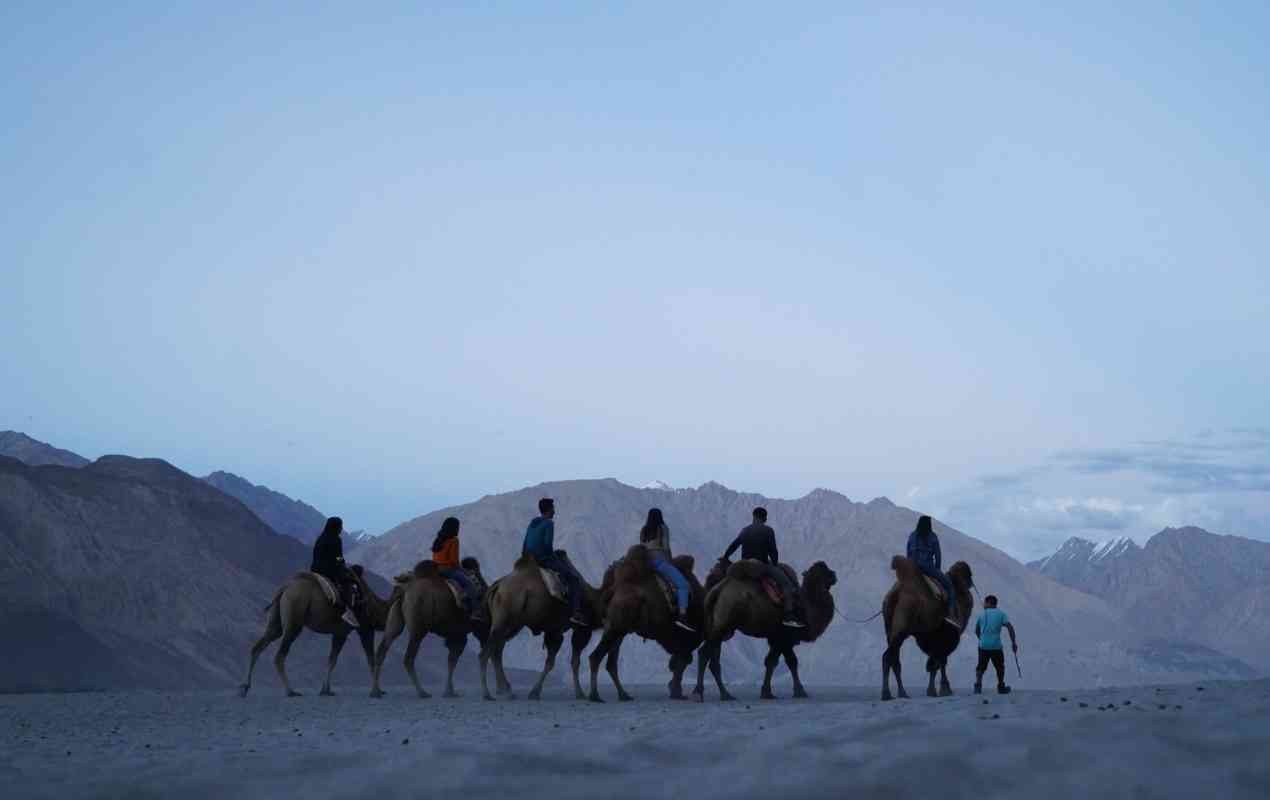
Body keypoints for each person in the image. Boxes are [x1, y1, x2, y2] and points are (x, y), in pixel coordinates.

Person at [723, 507, 803, 627]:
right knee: (787, 585)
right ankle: (788, 616)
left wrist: (726, 557)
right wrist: (775, 564)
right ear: (765, 518)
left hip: (743, 564)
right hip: (761, 566)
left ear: (753, 517)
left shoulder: (745, 530)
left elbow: (734, 545)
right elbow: (773, 550)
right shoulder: (768, 530)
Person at [522, 498, 587, 626]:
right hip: (542, 559)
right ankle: (576, 613)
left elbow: (524, 544)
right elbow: (547, 547)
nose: (554, 511)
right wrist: (553, 557)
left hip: (528, 558)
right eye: (553, 508)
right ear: (548, 509)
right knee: (573, 579)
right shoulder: (549, 524)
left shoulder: (533, 523)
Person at [640, 508, 695, 631]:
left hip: (646, 564)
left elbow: (642, 548)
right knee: (683, 585)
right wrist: (670, 563)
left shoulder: (644, 530)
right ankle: (682, 614)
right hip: (660, 562)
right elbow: (666, 547)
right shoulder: (662, 528)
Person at [906, 515, 958, 628]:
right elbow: (938, 556)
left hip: (913, 568)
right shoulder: (932, 537)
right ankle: (950, 614)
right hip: (928, 567)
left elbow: (908, 554)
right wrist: (937, 571)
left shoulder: (912, 536)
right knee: (950, 587)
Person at [310, 516, 360, 627]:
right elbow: (338, 557)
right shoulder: (336, 539)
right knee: (348, 584)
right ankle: (348, 611)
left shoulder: (321, 538)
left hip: (315, 569)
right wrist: (343, 565)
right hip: (329, 571)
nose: (341, 529)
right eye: (340, 527)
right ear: (336, 527)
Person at [431, 516, 479, 614]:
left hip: (435, 569)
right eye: (458, 527)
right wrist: (465, 571)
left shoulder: (438, 539)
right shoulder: (453, 540)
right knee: (470, 584)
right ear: (454, 528)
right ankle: (475, 611)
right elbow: (454, 561)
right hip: (448, 570)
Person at [973, 594, 1018, 695]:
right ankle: (1001, 687)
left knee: (981, 666)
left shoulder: (982, 614)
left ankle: (978, 686)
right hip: (996, 646)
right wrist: (1013, 643)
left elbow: (976, 630)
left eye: (985, 602)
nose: (984, 604)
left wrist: (982, 639)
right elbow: (1010, 628)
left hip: (983, 645)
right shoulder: (1001, 614)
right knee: (999, 666)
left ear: (989, 603)